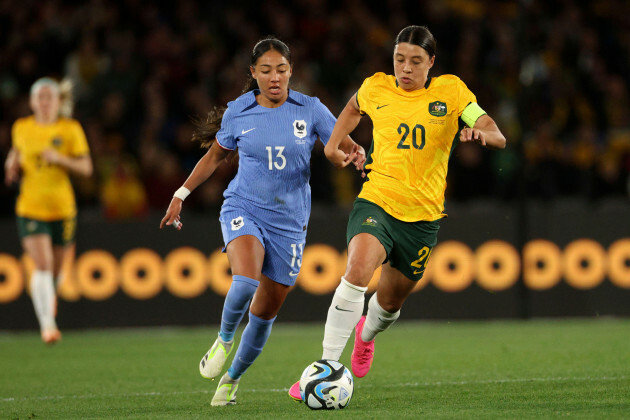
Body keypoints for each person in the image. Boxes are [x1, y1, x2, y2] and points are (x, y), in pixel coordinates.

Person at [289, 25, 506, 399]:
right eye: (399, 60)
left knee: (388, 303)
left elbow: (494, 131)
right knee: (356, 271)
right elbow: (354, 107)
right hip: (378, 200)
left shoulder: (451, 92)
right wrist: (332, 145)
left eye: (415, 61)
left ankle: (366, 335)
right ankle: (324, 369)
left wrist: (482, 135)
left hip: (422, 218)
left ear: (431, 63)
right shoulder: (376, 86)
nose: (405, 68)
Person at [160, 37, 365, 407]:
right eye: (266, 70)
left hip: (290, 224)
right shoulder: (238, 111)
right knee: (245, 279)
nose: (275, 77)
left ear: (291, 72)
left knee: (264, 313)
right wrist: (181, 194)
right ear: (253, 73)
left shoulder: (311, 109)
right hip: (245, 207)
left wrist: (354, 154)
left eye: (282, 70)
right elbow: (213, 157)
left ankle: (232, 379)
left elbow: (342, 145)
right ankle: (223, 340)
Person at [4, 77, 93, 344]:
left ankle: (48, 307)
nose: (44, 103)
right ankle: (47, 325)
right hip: (30, 208)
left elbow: (86, 168)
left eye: (49, 98)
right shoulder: (21, 127)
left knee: (55, 272)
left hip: (63, 209)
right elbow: (16, 152)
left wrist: (60, 159)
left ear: (58, 102)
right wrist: (11, 164)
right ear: (32, 102)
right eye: (39, 98)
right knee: (41, 264)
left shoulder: (70, 128)